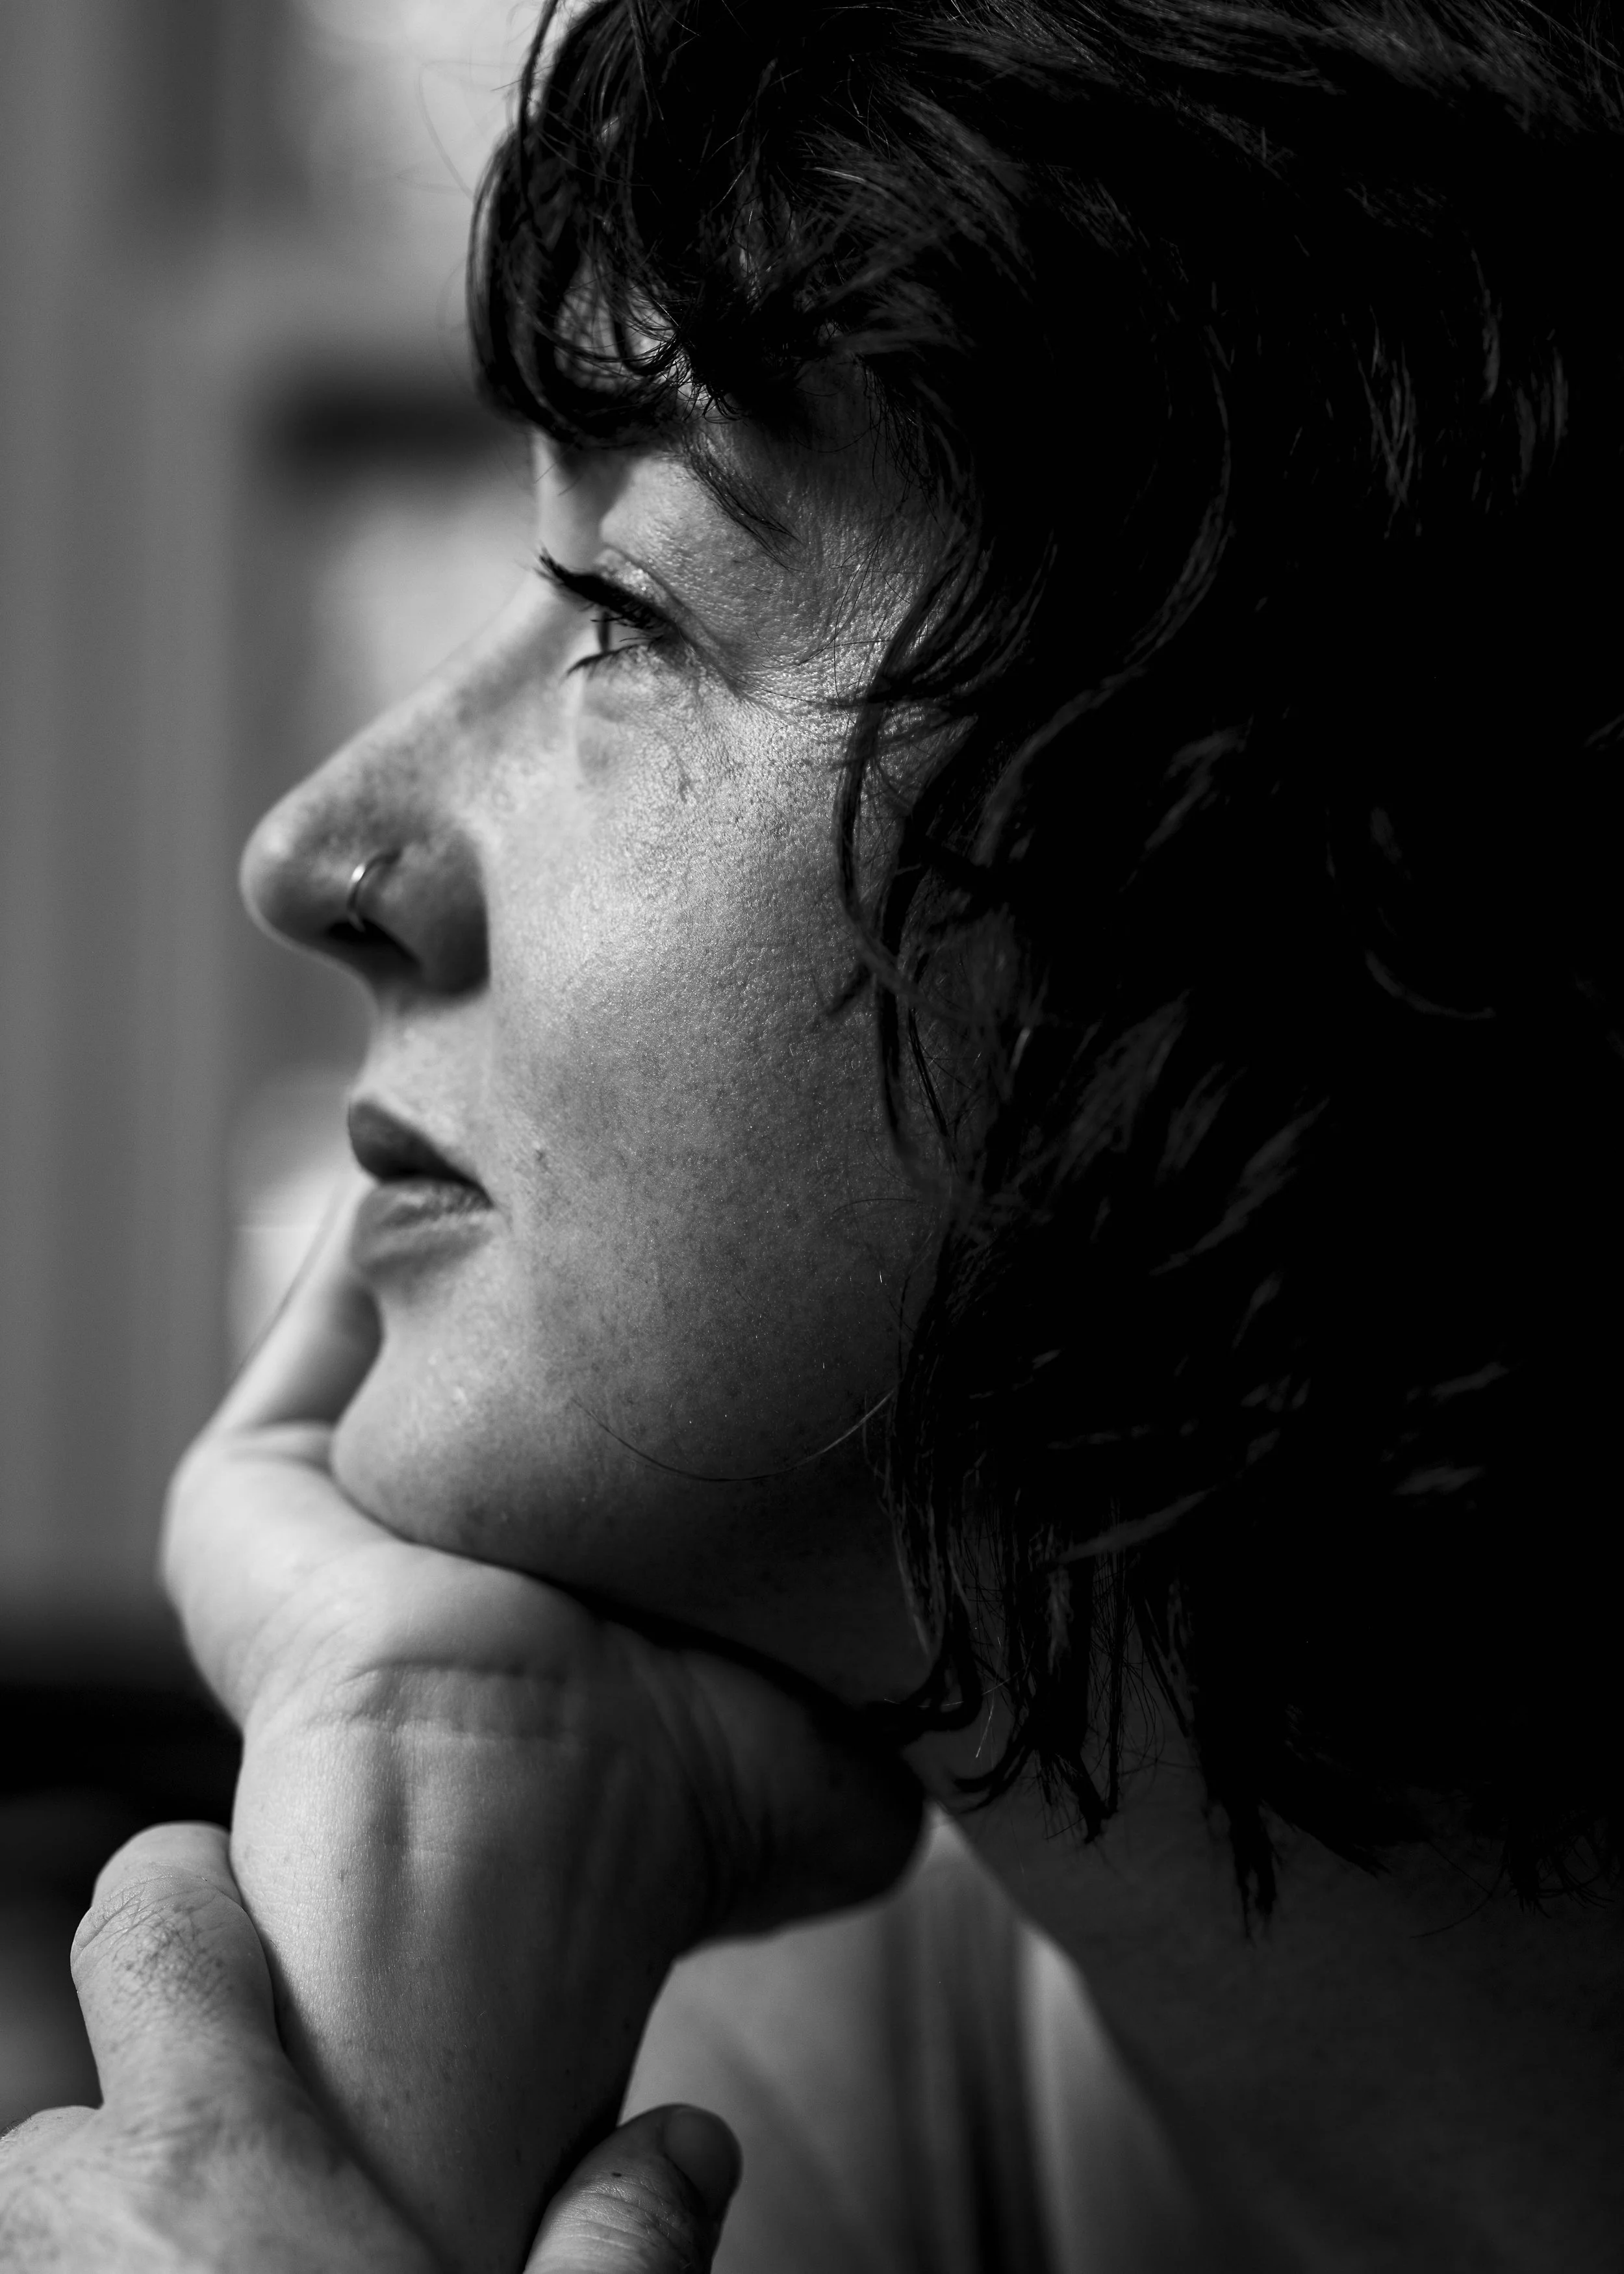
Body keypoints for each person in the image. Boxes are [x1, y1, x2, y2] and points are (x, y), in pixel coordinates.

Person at [5, 0, 1623, 2264]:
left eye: (623, 612)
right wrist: (445, 1751)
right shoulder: (732, 2120)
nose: (315, 849)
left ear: (1277, 852)